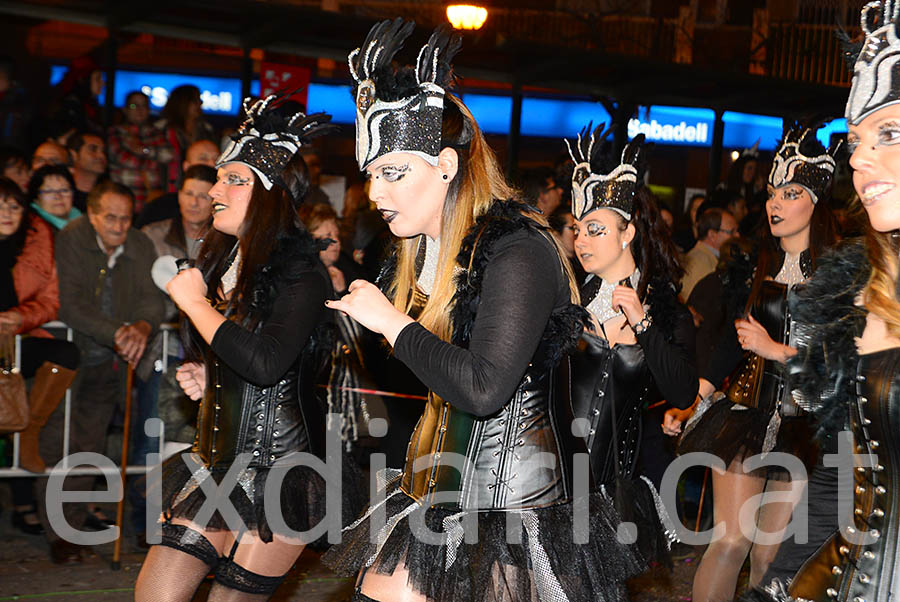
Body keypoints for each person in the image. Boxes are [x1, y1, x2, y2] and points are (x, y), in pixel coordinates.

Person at [321, 20, 642, 602]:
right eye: (372, 174)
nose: (375, 193)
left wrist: (393, 324)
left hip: (517, 512)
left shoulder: (515, 248)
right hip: (438, 495)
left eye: (393, 172)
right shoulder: (435, 254)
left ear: (445, 165)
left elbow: (485, 388)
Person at [134, 97, 338, 601]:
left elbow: (269, 363)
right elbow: (246, 354)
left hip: (281, 469)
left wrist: (195, 305)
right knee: (154, 595)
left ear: (271, 194)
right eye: (218, 177)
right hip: (215, 463)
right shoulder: (225, 258)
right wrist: (212, 379)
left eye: (234, 179)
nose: (215, 189)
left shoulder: (302, 269)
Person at [747, 3, 900, 600]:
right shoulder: (857, 285)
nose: (859, 157)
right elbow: (849, 466)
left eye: (888, 134)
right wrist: (787, 580)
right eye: (856, 139)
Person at [665, 124, 841, 602]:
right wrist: (691, 403)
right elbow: (726, 347)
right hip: (745, 417)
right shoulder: (753, 263)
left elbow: (840, 362)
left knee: (771, 556)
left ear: (815, 202)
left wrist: (777, 351)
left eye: (790, 192)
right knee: (729, 541)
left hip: (804, 427)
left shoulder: (838, 277)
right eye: (771, 193)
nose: (775, 204)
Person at [564, 124, 697, 563]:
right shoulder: (563, 299)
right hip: (550, 480)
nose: (582, 240)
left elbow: (682, 391)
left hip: (612, 490)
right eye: (578, 229)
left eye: (595, 229)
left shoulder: (664, 311)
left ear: (627, 234)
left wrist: (643, 324)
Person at [0, 178, 79, 540]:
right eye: (1, 205)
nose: (7, 213)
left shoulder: (37, 238)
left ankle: (27, 435)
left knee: (65, 352)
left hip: (16, 339)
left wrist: (21, 317)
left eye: (15, 206)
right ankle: (20, 503)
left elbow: (51, 298)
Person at [107, 90, 175, 211]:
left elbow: (169, 155)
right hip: (122, 199)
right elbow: (124, 159)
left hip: (151, 200)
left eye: (144, 105)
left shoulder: (155, 132)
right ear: (125, 109)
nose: (139, 109)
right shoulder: (116, 132)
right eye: (134, 105)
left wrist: (144, 150)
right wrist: (154, 161)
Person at [135, 139, 219, 228]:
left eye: (217, 160)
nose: (212, 164)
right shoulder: (161, 208)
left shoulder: (227, 211)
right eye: (203, 159)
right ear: (186, 166)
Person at [155, 85, 215, 193]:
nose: (200, 104)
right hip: (167, 187)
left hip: (200, 187)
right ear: (182, 103)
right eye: (195, 100)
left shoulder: (206, 130)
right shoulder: (162, 129)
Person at [680, 207, 739, 301]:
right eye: (731, 232)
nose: (737, 235)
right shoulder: (698, 261)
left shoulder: (709, 256)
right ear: (712, 235)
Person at [27, 164, 81, 233]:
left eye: (64, 190)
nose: (58, 196)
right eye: (49, 191)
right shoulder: (33, 230)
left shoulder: (86, 222)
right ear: (36, 199)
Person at [67, 131, 107, 212]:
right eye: (93, 149)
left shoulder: (107, 194)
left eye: (103, 151)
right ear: (74, 155)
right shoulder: (63, 193)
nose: (101, 156)